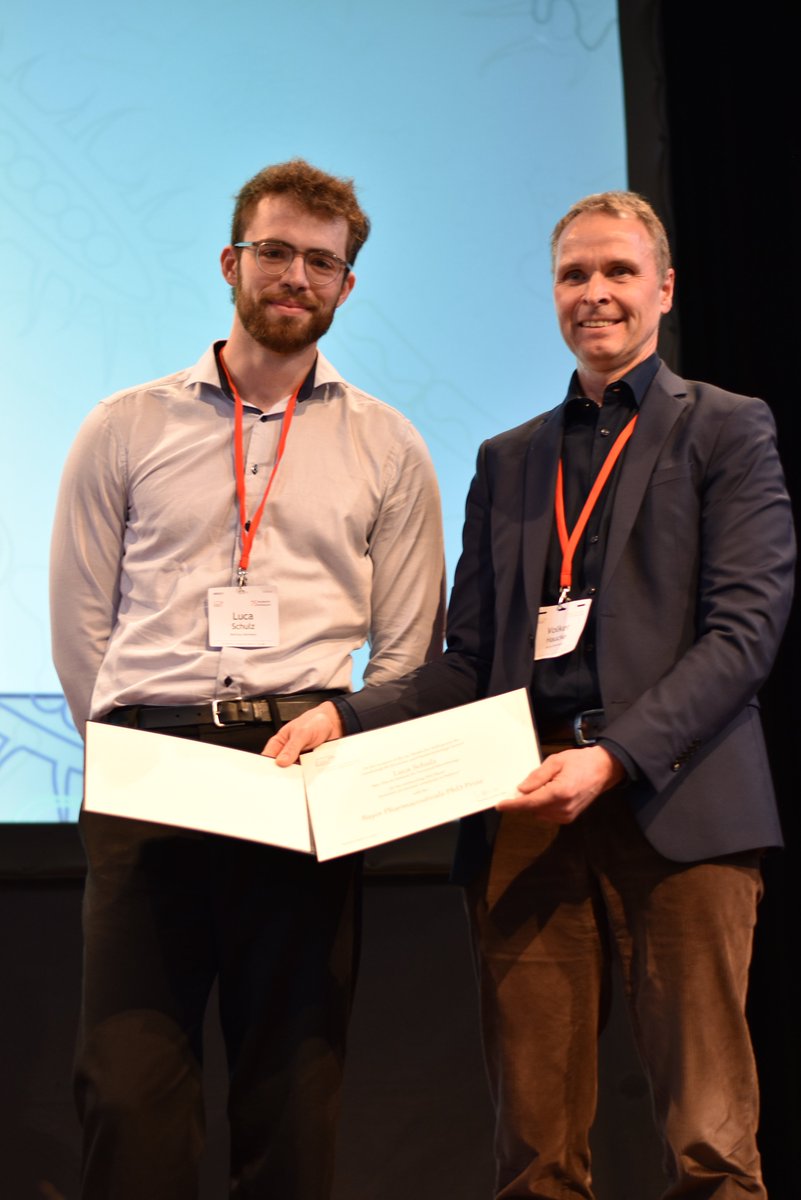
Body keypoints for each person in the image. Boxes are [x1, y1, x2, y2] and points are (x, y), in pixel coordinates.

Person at [267, 191, 795, 1198]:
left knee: (712, 1148)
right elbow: (467, 658)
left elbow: (743, 637)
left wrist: (613, 756)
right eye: (573, 275)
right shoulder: (510, 460)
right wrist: (345, 712)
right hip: (523, 811)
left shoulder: (724, 430)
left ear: (665, 289)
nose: (595, 293)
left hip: (675, 804)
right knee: (535, 1157)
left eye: (618, 272)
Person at [50, 158, 445, 1200]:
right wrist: (143, 739)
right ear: (232, 261)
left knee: (292, 1092)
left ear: (347, 288)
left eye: (323, 261)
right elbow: (80, 625)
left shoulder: (390, 448)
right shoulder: (123, 426)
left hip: (301, 771)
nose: (295, 275)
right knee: (130, 1095)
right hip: (152, 768)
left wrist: (341, 740)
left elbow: (407, 652)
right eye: (275, 251)